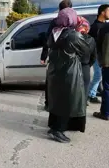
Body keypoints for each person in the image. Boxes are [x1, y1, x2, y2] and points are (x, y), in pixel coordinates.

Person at [47, 7, 88, 143]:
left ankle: (54, 126)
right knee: (68, 102)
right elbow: (86, 50)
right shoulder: (73, 35)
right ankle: (57, 130)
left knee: (57, 100)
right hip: (69, 73)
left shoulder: (55, 32)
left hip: (55, 72)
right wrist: (83, 32)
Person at [40, 0, 73, 111]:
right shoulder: (77, 23)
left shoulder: (56, 22)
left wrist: (44, 56)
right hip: (70, 59)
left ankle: (50, 104)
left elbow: (47, 40)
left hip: (57, 58)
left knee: (52, 82)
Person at [88, 4, 109, 104]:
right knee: (98, 75)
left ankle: (92, 93)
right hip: (97, 55)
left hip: (105, 56)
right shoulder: (95, 27)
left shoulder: (106, 25)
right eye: (108, 11)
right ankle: (90, 94)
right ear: (102, 12)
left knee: (100, 76)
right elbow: (92, 43)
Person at [76, 16, 97, 100]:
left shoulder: (73, 38)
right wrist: (88, 65)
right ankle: (82, 110)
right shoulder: (92, 40)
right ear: (87, 29)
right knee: (84, 92)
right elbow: (94, 57)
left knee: (74, 91)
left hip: (73, 68)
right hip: (85, 68)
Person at [93, 17, 109, 120]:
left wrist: (100, 61)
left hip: (107, 63)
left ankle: (105, 113)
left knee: (107, 88)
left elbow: (98, 46)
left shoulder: (105, 27)